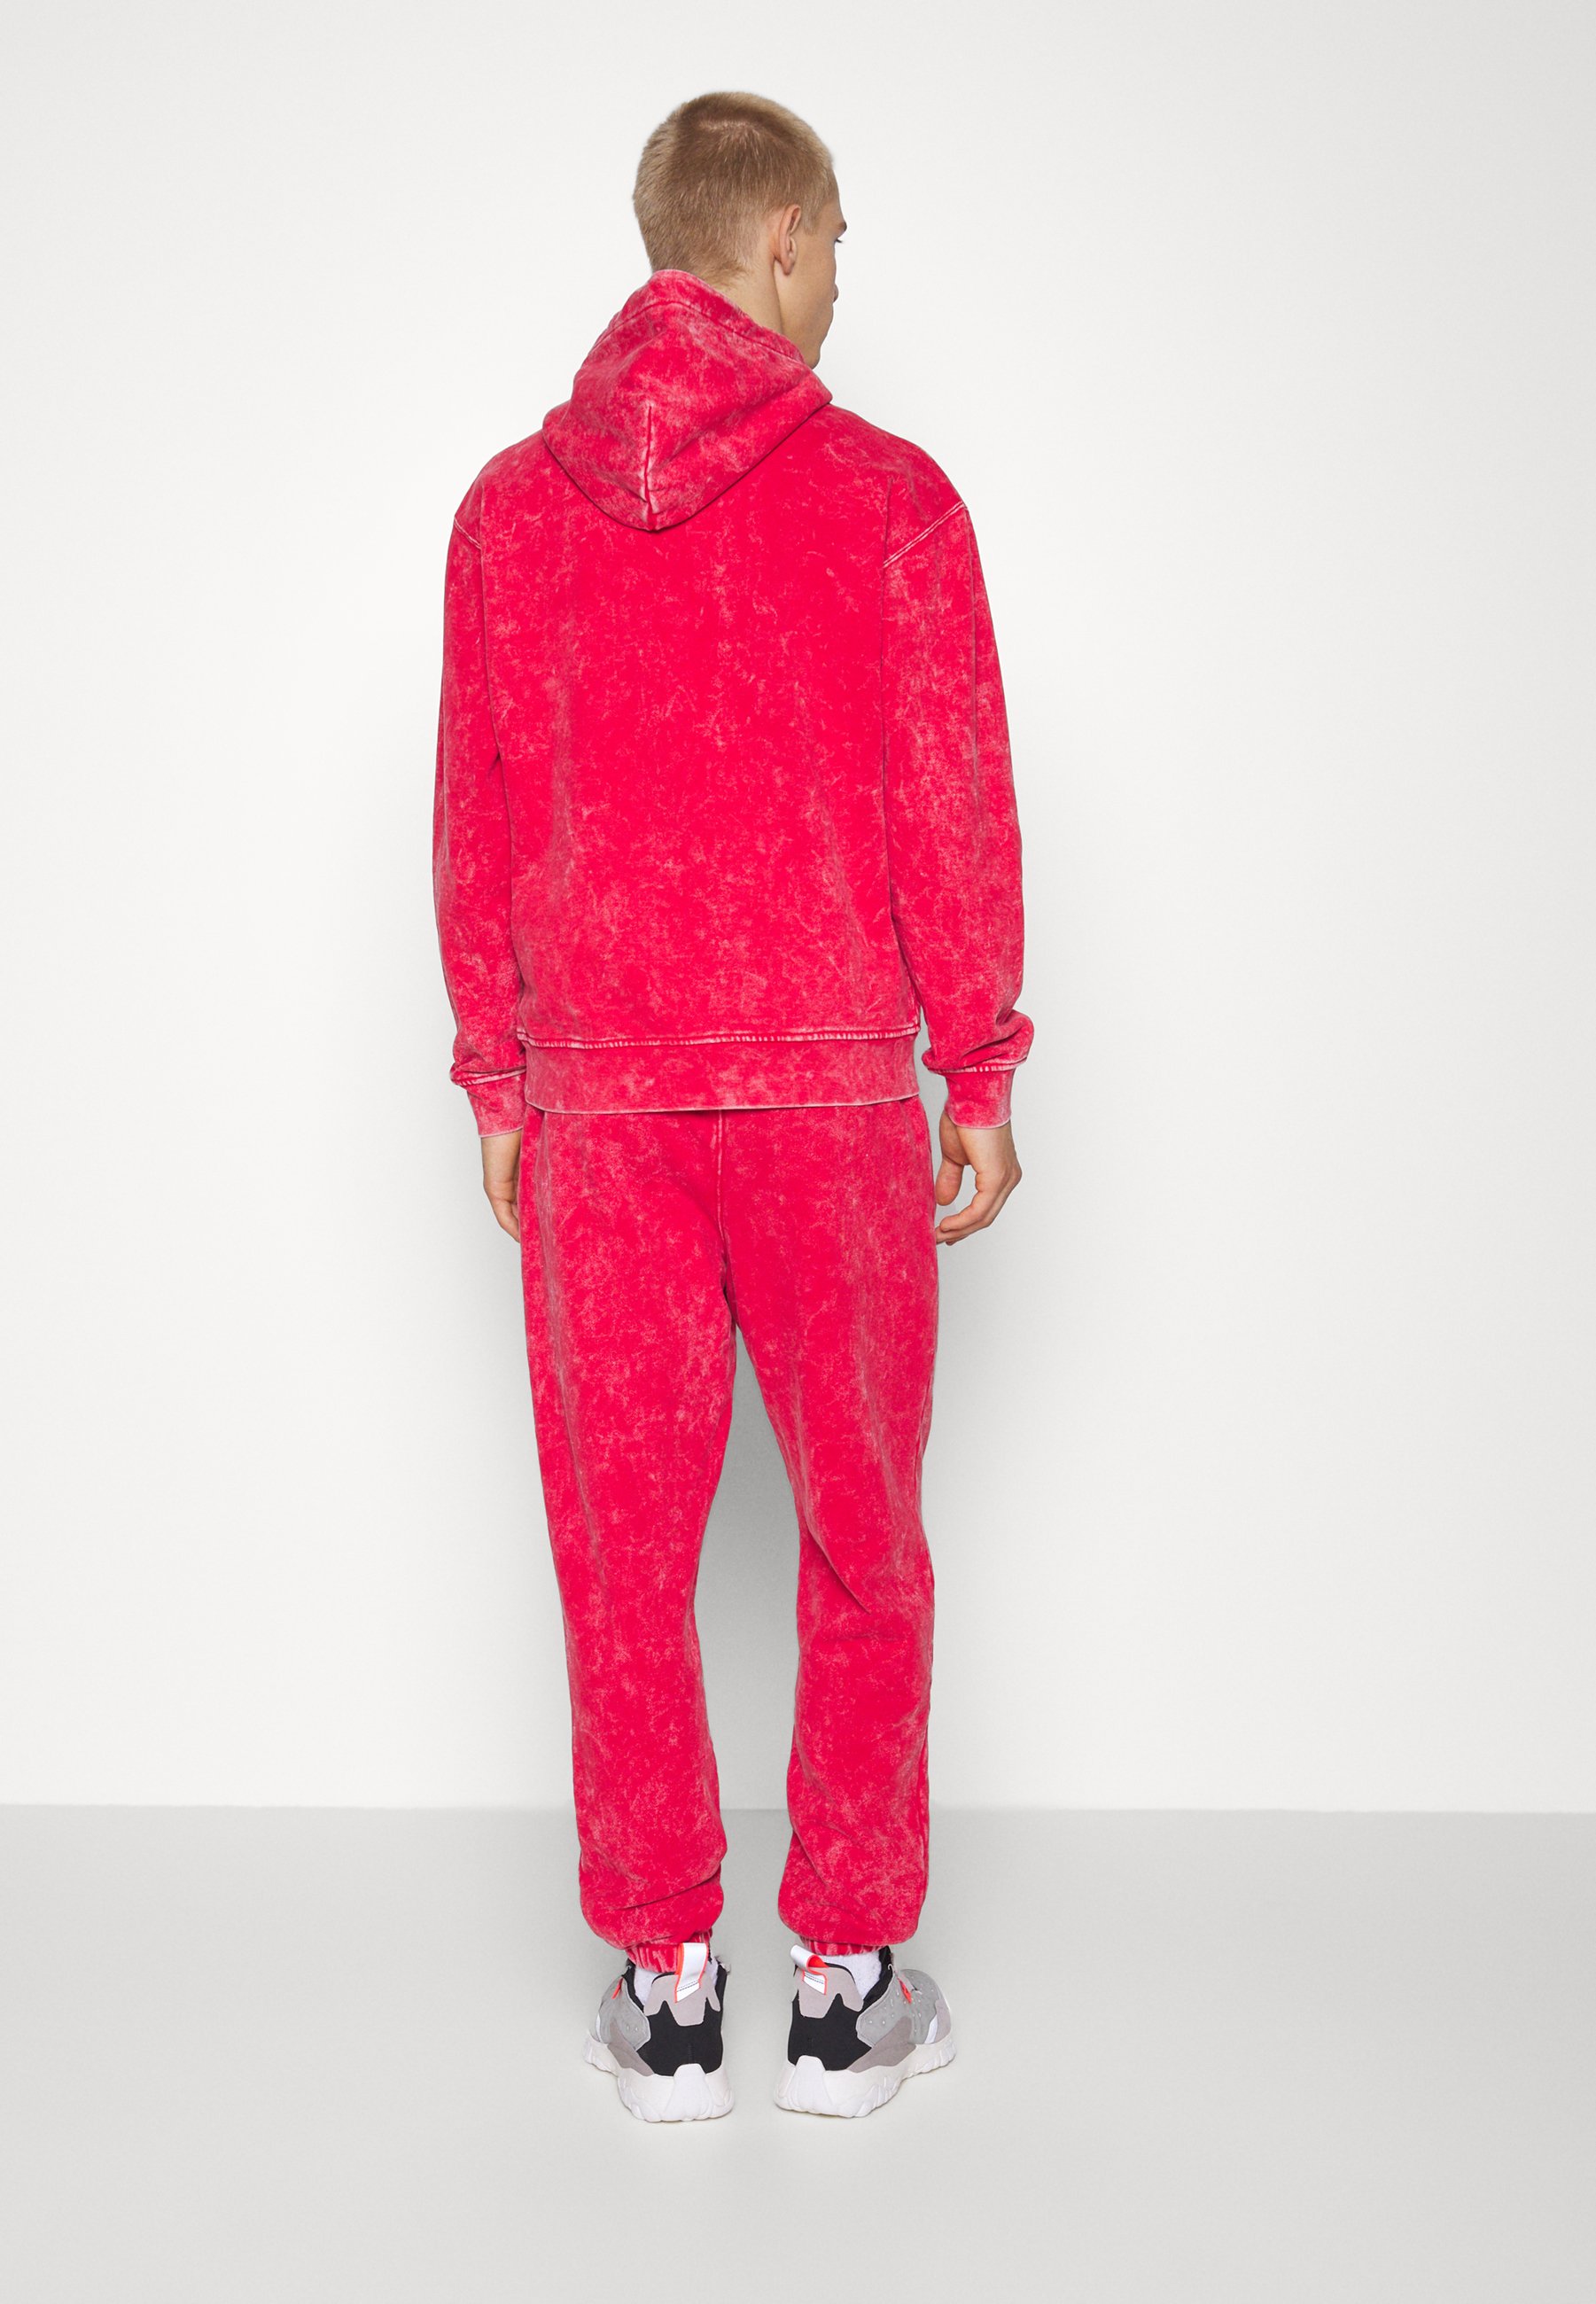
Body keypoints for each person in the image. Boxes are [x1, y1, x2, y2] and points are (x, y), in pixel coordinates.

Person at [432, 90, 1032, 2123]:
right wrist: (978, 1062)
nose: (845, 276)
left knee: (623, 1551)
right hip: (823, 1099)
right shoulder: (889, 501)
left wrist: (498, 1072)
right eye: (837, 238)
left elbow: (474, 817)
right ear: (775, 237)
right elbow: (948, 796)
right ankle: (844, 1995)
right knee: (862, 1540)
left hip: (599, 1113)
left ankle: (669, 1991)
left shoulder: (507, 517)